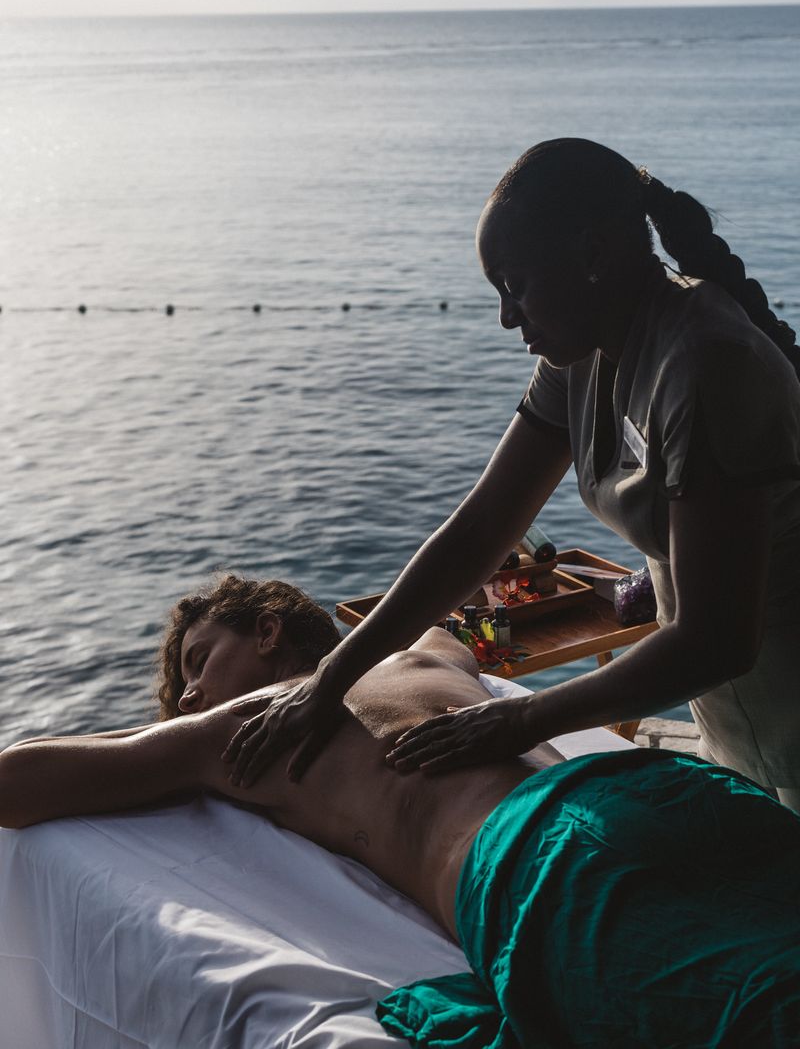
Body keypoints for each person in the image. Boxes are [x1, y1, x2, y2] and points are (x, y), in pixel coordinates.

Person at [222, 138, 800, 812]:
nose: (506, 316)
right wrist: (330, 678)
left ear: (590, 255)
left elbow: (714, 638)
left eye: (515, 285)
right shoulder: (581, 355)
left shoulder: (706, 365)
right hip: (744, 728)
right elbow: (480, 531)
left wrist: (520, 720)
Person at [1, 572, 799, 1047]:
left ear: (270, 630)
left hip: (545, 862)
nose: (191, 695)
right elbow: (459, 624)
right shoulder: (425, 655)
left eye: (199, 663)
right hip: (660, 791)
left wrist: (159, 731)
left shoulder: (244, 729)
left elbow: (16, 781)